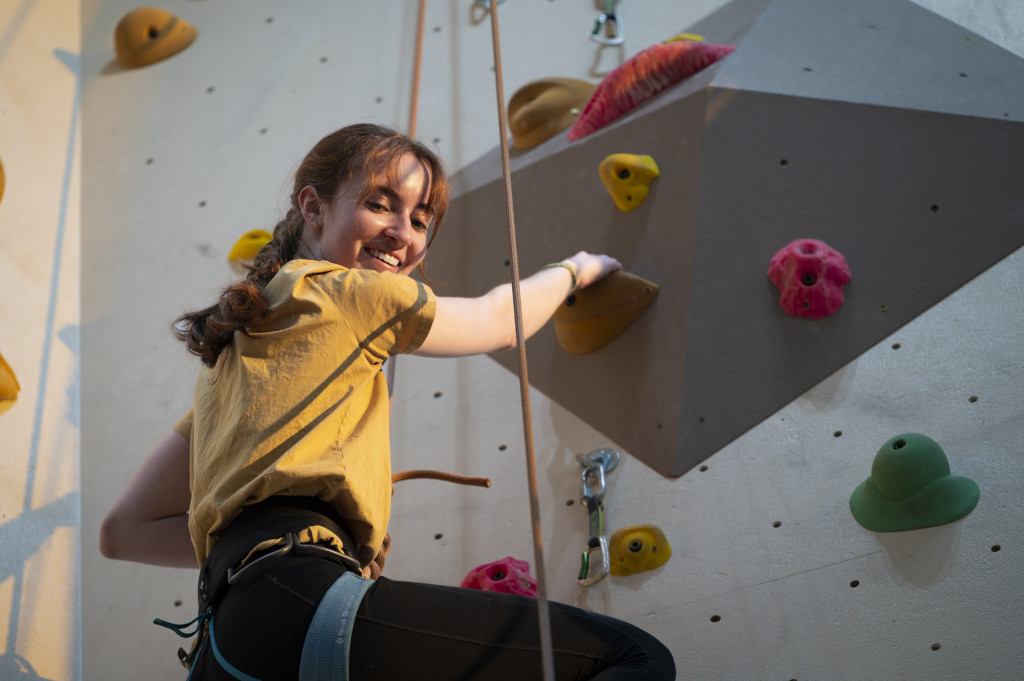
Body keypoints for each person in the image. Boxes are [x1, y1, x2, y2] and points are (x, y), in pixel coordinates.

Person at [100, 123, 675, 681]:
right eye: (381, 204)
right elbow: (499, 319)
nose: (404, 233)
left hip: (229, 642)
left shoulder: (226, 368)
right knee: (631, 658)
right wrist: (575, 270)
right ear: (313, 205)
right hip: (300, 600)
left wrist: (250, 544)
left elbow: (125, 530)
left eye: (421, 219)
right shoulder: (344, 289)